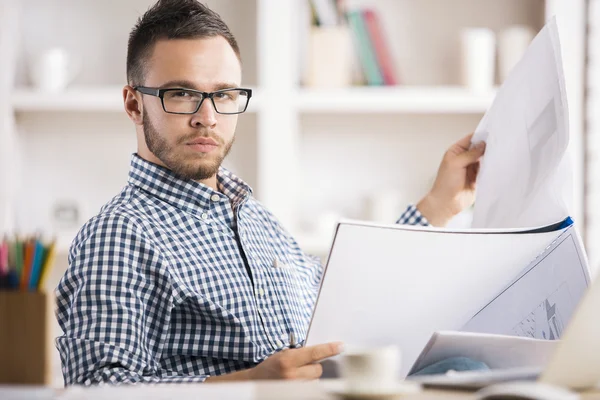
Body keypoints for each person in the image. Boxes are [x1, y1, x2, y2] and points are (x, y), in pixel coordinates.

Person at [55, 0, 486, 386]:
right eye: (182, 94)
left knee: (470, 367)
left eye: (223, 94)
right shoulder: (120, 234)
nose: (207, 117)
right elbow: (97, 387)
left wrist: (438, 206)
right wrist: (249, 385)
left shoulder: (251, 215)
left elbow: (344, 296)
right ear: (134, 104)